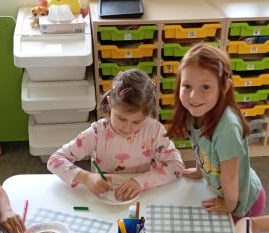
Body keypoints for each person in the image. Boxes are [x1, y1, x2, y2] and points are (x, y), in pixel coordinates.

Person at [47, 69, 185, 201]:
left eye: (137, 121)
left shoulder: (154, 130)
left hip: (143, 195)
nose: (128, 128)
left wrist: (141, 181)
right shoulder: (97, 132)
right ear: (110, 102)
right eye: (121, 119)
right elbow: (55, 160)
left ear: (148, 114)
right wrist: (86, 178)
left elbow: (177, 165)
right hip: (107, 195)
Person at [167, 43, 265, 221]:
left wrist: (229, 205)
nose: (193, 96)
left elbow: (231, 175)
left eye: (205, 87)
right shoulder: (195, 111)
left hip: (243, 202)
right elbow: (200, 146)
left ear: (224, 87)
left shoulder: (228, 128)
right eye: (187, 86)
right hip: (224, 191)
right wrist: (199, 171)